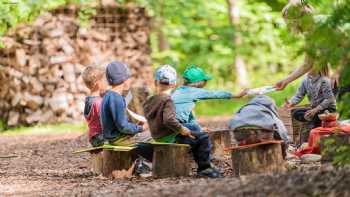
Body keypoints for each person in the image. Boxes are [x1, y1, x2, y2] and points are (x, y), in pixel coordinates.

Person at [143, 65, 221, 178]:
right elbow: (169, 120)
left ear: (155, 82)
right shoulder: (168, 100)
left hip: (158, 137)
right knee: (202, 138)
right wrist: (181, 129)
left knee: (193, 130)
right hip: (171, 138)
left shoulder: (149, 100)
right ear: (174, 84)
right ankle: (204, 168)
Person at [100, 61, 152, 161]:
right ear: (124, 80)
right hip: (119, 140)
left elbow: (118, 123)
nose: (130, 80)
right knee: (151, 141)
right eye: (129, 78)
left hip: (113, 138)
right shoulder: (116, 98)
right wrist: (141, 128)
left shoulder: (108, 96)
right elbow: (123, 126)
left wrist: (136, 126)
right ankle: (142, 165)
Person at [171, 65, 247, 132]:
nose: (206, 82)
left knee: (194, 128)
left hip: (172, 124)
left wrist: (200, 129)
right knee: (202, 136)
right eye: (204, 80)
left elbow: (189, 117)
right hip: (177, 125)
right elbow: (215, 94)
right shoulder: (194, 92)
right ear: (197, 82)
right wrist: (236, 95)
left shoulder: (179, 90)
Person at [284, 66, 336, 131]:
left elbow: (329, 99)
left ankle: (314, 120)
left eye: (309, 67)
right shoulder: (306, 80)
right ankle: (312, 118)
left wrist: (315, 110)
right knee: (295, 112)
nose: (306, 69)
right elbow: (299, 95)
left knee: (320, 115)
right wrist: (291, 102)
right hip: (314, 109)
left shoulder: (324, 80)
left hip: (327, 109)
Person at [81, 65, 108, 147]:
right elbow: (106, 122)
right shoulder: (98, 102)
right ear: (98, 84)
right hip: (101, 138)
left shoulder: (88, 100)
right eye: (104, 80)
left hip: (93, 137)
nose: (106, 82)